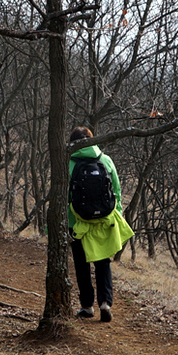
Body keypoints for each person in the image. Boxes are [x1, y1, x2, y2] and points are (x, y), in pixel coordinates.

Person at [68, 126, 134, 322]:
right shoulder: (105, 160)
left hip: (78, 221)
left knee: (81, 263)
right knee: (103, 262)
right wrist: (118, 214)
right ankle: (105, 303)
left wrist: (63, 223)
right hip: (105, 219)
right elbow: (117, 191)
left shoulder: (69, 163)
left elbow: (63, 194)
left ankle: (87, 306)